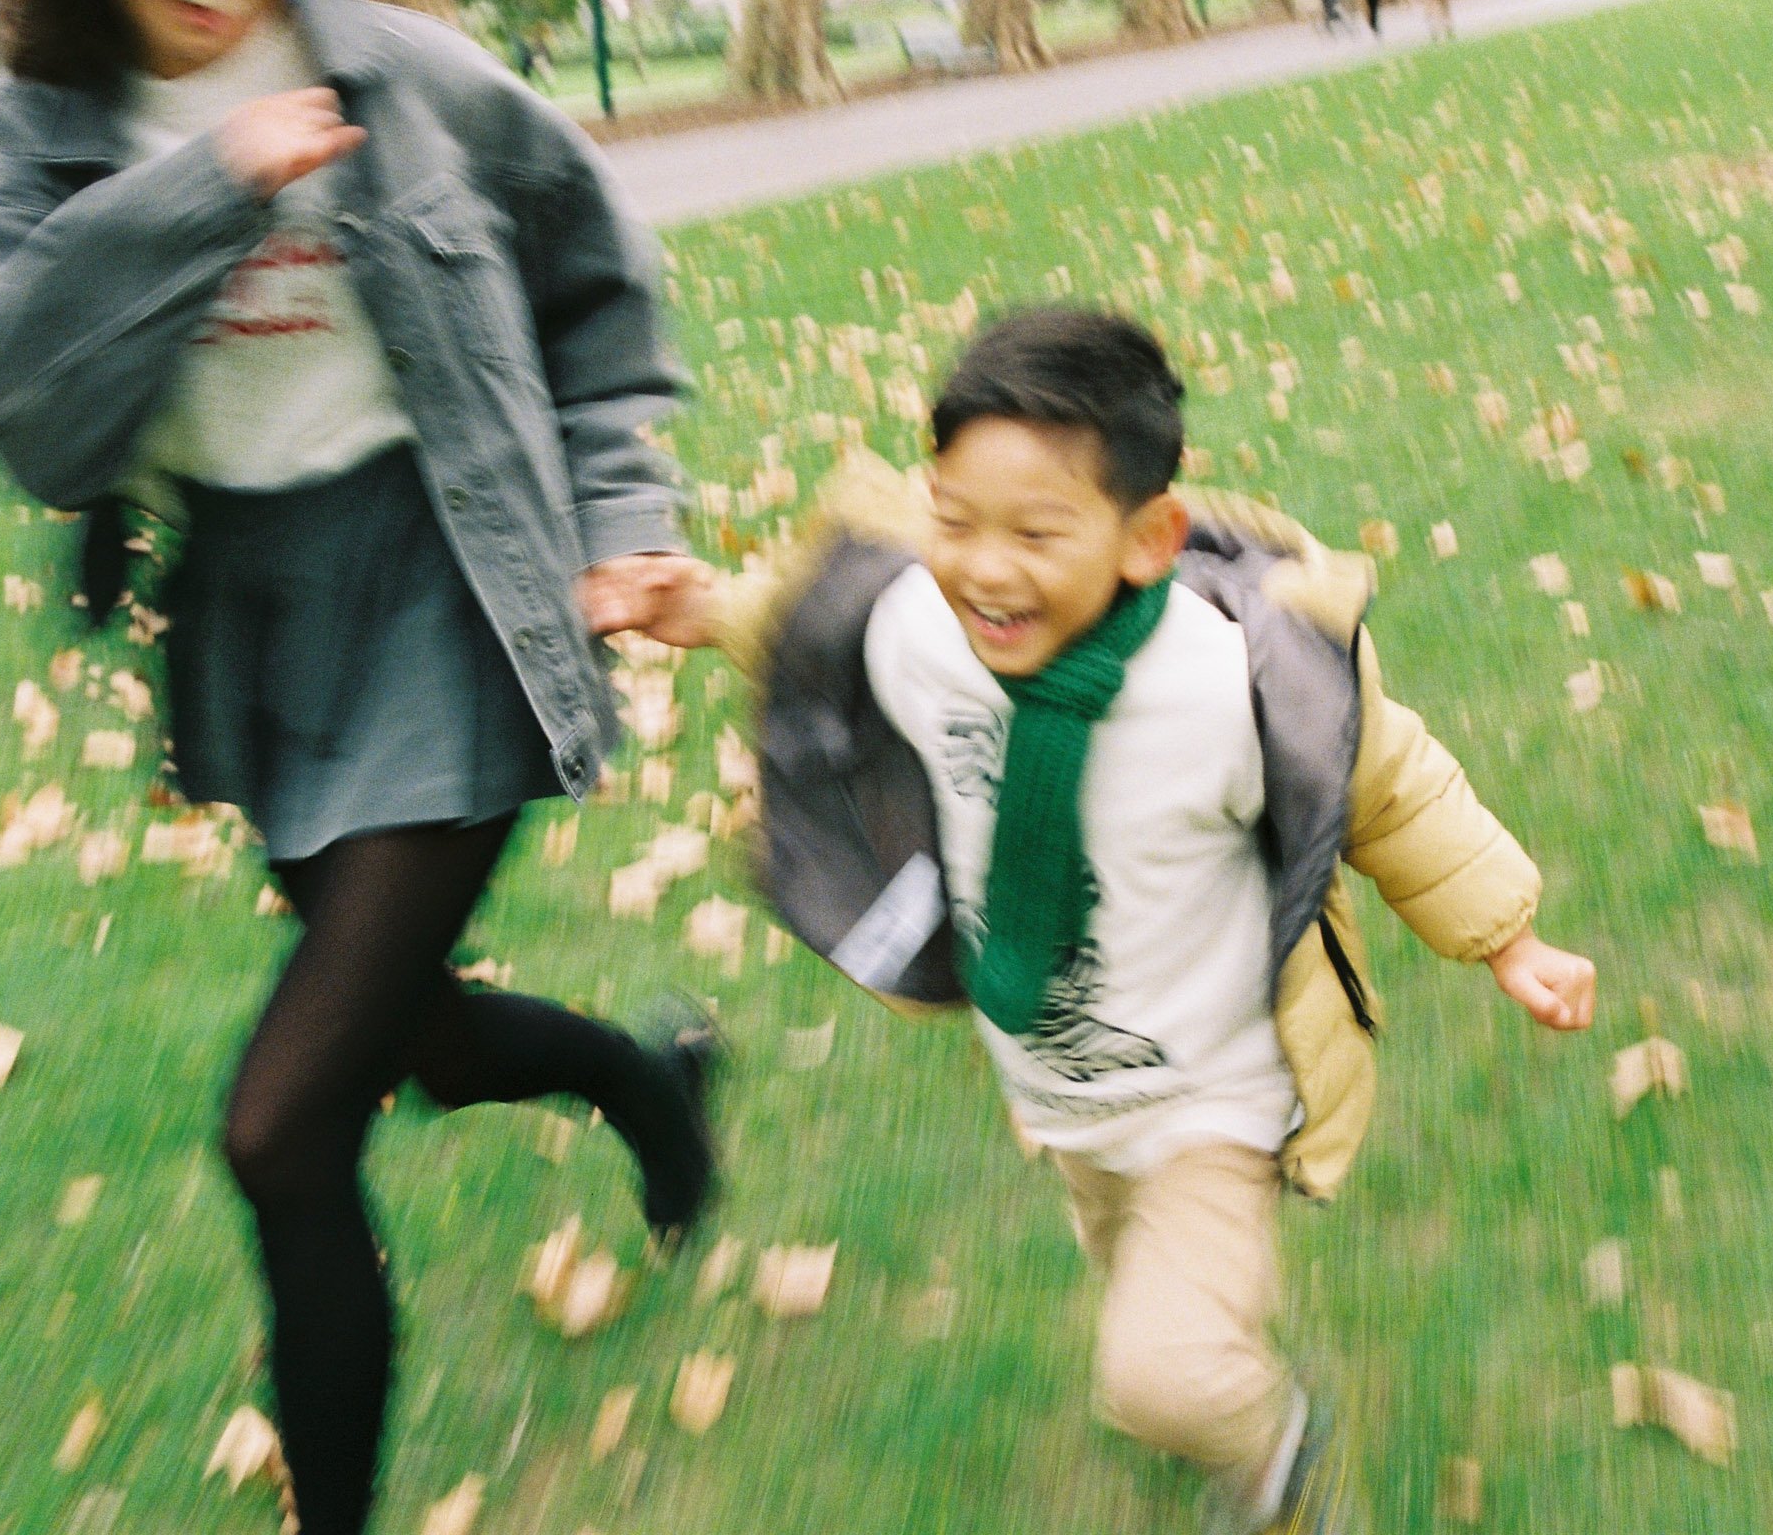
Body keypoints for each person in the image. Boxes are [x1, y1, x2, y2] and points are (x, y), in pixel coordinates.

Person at [0, 0, 720, 1530]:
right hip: (253, 614)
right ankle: (644, 1077)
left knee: (281, 1127)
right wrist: (210, 184)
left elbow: (593, 279)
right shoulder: (19, 132)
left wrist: (629, 517)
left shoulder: (412, 79)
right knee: (412, 1030)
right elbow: (21, 402)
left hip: (448, 584)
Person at [654, 308, 1599, 1535]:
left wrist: (1506, 936)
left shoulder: (1225, 683)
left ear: (1147, 536)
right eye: (953, 519)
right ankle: (1205, 1387)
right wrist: (708, 607)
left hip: (1217, 1097)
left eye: (1037, 532)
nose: (986, 568)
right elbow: (813, 622)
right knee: (1129, 1282)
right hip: (1064, 1093)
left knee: (1159, 1370)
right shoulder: (923, 636)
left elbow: (1387, 780)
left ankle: (1273, 1453)